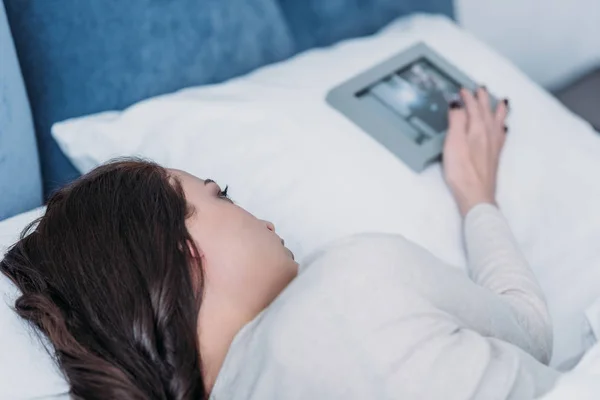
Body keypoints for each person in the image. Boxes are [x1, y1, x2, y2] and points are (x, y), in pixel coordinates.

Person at [1, 87, 560, 400]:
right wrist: (476, 194)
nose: (265, 222)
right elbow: (532, 335)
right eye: (222, 196)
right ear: (184, 251)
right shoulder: (353, 279)